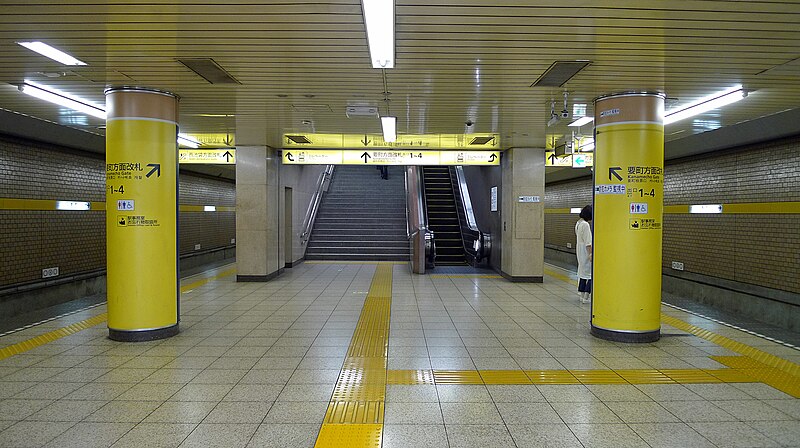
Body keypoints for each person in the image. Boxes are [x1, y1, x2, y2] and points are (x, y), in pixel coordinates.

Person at [575, 205, 593, 304]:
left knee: (582, 273)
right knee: (590, 275)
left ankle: (581, 293)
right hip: (586, 251)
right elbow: (588, 242)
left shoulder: (578, 223)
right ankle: (586, 296)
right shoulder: (585, 225)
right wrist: (590, 254)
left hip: (579, 250)